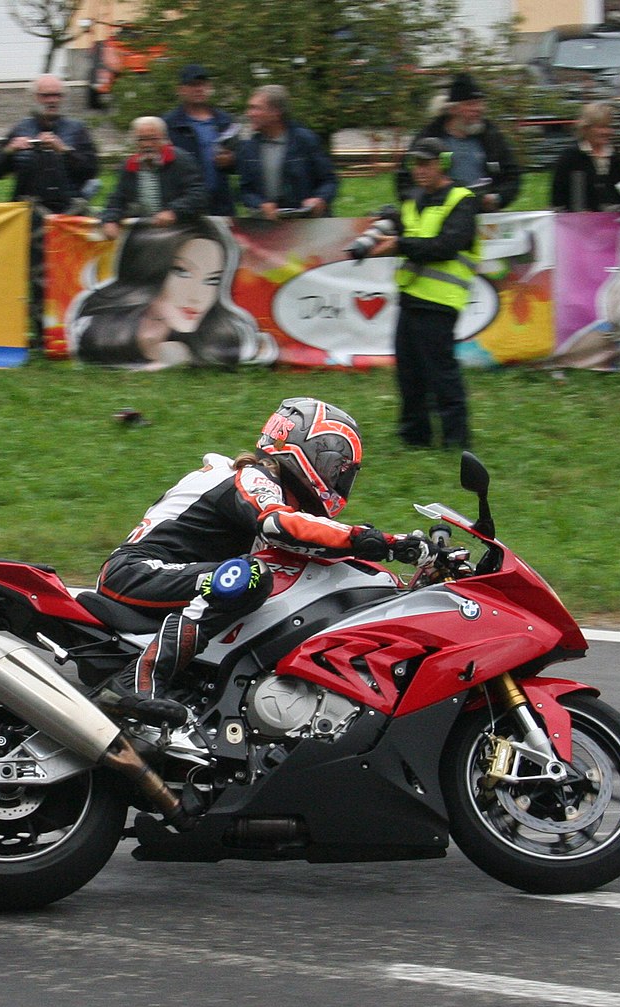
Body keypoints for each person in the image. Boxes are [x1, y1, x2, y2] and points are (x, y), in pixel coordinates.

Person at [96, 397, 425, 713]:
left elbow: (316, 547)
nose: (335, 478)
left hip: (169, 574)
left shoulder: (269, 489)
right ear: (299, 450)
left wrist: (414, 582)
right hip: (136, 571)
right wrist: (386, 542)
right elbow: (279, 526)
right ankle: (137, 681)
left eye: (341, 471)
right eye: (332, 466)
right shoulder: (251, 476)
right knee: (251, 577)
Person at [368, 138, 481, 449]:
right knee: (409, 372)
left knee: (441, 373)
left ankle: (456, 439)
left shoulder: (462, 200)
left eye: (427, 163)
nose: (420, 170)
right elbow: (403, 229)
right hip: (411, 296)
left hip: (441, 300)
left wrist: (400, 245)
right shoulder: (412, 200)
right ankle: (414, 436)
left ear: (442, 164)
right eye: (416, 163)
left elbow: (448, 244)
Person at [69, 218, 275, 369]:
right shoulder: (97, 331)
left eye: (212, 280)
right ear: (148, 268)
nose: (197, 297)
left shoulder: (221, 336)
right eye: (182, 272)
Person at [396, 73, 520, 213]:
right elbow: (406, 178)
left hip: (483, 215)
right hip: (439, 215)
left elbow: (511, 175)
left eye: (480, 103)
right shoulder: (429, 137)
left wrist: (498, 198)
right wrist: (424, 203)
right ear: (453, 109)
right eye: (471, 104)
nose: (478, 109)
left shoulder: (491, 136)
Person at [0, 74, 99, 211]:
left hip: (68, 211)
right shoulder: (21, 129)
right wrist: (10, 149)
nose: (52, 100)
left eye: (57, 95)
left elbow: (92, 171)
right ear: (35, 97)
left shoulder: (77, 129)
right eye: (46, 95)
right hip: (27, 212)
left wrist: (64, 150)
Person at [235, 84, 337, 219]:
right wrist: (260, 204)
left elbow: (329, 181)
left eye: (256, 108)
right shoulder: (249, 147)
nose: (249, 113)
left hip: (307, 225)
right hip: (269, 226)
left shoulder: (305, 140)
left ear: (276, 113)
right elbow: (246, 190)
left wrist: (320, 200)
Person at [100, 117, 208, 240]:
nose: (147, 144)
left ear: (164, 139)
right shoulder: (129, 166)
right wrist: (110, 220)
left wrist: (174, 211)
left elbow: (198, 194)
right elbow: (117, 199)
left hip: (184, 232)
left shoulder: (181, 160)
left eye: (152, 139)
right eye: (141, 139)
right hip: (148, 235)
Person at [163, 64, 236, 217]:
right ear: (180, 90)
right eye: (192, 85)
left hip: (221, 204)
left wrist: (231, 161)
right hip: (183, 205)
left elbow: (241, 163)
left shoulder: (224, 121)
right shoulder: (169, 124)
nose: (199, 89)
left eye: (203, 84)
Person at [549, 101, 620, 212]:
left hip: (611, 222)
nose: (606, 132)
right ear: (585, 128)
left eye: (608, 126)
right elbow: (557, 199)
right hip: (577, 222)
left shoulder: (614, 155)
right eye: (600, 127)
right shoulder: (570, 156)